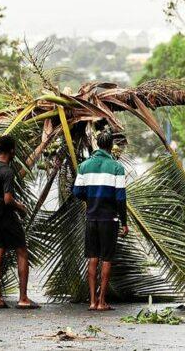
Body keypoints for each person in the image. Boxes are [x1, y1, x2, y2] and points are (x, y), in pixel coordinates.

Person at [0, 134, 39, 309]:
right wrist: (20, 207)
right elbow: (7, 199)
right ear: (12, 151)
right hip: (6, 218)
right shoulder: (7, 171)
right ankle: (23, 298)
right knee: (22, 251)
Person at [72, 129, 129, 311]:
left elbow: (77, 192)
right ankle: (102, 302)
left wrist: (91, 200)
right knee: (106, 259)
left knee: (92, 258)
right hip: (109, 219)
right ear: (111, 146)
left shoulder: (84, 166)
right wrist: (124, 222)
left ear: (97, 144)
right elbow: (120, 198)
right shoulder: (117, 168)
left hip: (91, 218)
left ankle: (91, 301)